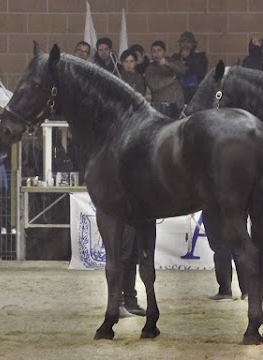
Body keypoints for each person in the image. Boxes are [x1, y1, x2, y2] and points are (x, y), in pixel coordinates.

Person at [118, 48, 146, 317]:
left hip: (136, 210)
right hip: (124, 210)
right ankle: (120, 301)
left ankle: (131, 299)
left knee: (133, 256)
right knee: (124, 256)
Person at [145, 40, 186, 118]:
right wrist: (173, 79)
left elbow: (182, 71)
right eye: (154, 51)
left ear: (164, 52)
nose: (157, 54)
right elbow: (154, 86)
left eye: (159, 51)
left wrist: (167, 64)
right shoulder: (150, 69)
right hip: (160, 106)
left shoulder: (173, 62)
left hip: (177, 105)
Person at [171, 31, 208, 104]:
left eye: (188, 42)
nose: (185, 44)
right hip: (179, 93)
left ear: (193, 44)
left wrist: (187, 58)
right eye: (183, 42)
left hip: (195, 92)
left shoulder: (200, 57)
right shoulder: (175, 57)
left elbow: (201, 72)